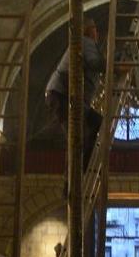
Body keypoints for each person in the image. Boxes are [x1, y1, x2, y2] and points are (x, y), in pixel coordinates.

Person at [44, 16, 105, 171]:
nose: (97, 33)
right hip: (62, 96)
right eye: (95, 29)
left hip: (66, 97)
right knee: (77, 138)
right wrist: (114, 65)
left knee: (94, 124)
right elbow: (95, 63)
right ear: (90, 31)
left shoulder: (83, 43)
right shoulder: (85, 42)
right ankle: (76, 176)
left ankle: (81, 171)